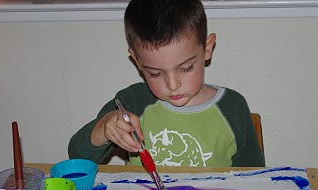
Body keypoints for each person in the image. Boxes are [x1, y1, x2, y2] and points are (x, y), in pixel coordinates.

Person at [68, 0, 265, 167]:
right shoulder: (132, 102)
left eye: (186, 68)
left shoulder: (233, 107)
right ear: (137, 61)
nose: (172, 84)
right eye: (155, 73)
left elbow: (255, 177)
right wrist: (104, 128)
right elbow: (78, 158)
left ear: (207, 48)